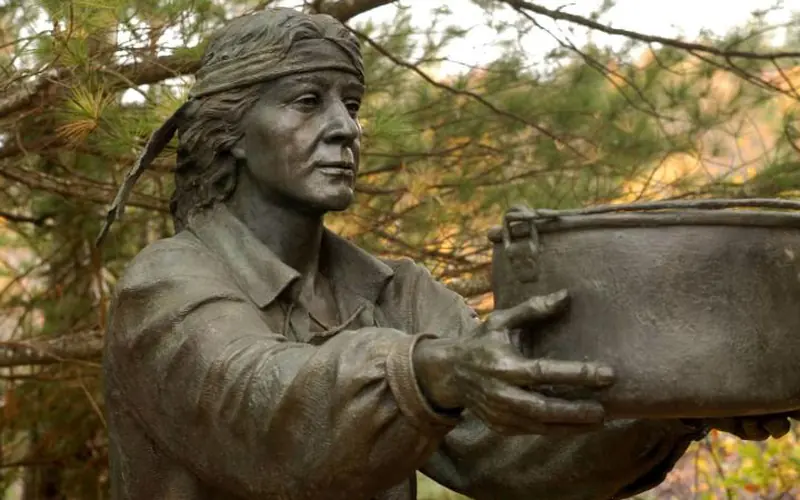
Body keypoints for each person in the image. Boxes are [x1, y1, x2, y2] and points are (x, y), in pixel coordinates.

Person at [98, 7, 797, 500]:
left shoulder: (393, 293)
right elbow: (261, 414)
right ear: (229, 134)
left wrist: (674, 402)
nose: (345, 128)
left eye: (353, 104)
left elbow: (513, 452)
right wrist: (432, 371)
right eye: (306, 101)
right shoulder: (165, 287)